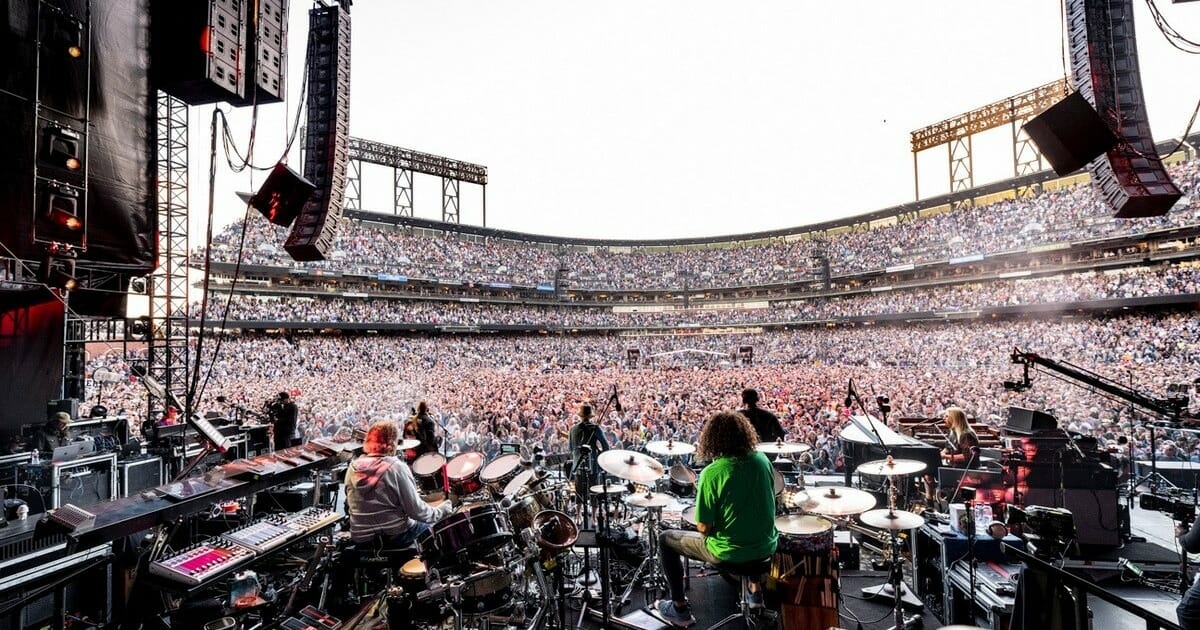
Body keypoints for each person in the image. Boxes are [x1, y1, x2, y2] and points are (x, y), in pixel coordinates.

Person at [656, 411, 778, 627]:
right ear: (746, 434)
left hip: (728, 553)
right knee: (748, 525)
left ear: (712, 439)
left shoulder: (712, 473)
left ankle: (679, 608)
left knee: (666, 539)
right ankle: (755, 590)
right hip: (766, 548)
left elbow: (703, 527)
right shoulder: (762, 460)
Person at [344, 419, 454, 547]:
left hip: (361, 538)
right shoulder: (395, 467)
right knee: (438, 527)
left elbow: (349, 505)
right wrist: (442, 510)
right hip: (395, 536)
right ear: (393, 442)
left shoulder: (352, 468)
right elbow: (417, 512)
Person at [568, 403, 608, 490]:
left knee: (579, 495)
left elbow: (570, 449)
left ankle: (579, 504)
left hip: (577, 465)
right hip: (592, 465)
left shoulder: (572, 429)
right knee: (594, 492)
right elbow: (606, 446)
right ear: (590, 416)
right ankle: (594, 503)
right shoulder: (595, 428)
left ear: (580, 416)